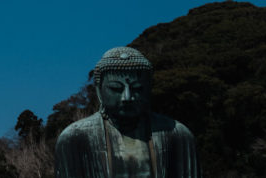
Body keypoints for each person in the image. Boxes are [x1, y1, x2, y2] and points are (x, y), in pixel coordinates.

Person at [54, 47, 200, 178]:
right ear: (99, 90)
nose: (127, 97)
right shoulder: (76, 138)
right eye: (116, 89)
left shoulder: (177, 135)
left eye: (137, 88)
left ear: (149, 89)